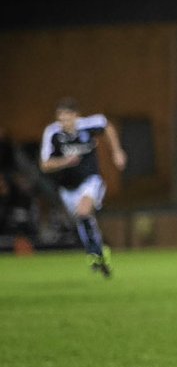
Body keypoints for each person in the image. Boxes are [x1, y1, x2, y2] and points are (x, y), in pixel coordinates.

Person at [38, 98, 126, 277]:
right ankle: (97, 253)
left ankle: (95, 253)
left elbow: (106, 125)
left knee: (84, 211)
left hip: (90, 181)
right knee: (82, 220)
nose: (64, 122)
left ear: (75, 116)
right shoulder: (53, 133)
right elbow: (44, 164)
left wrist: (117, 151)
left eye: (67, 118)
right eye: (60, 118)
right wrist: (64, 162)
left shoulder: (88, 125)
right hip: (67, 188)